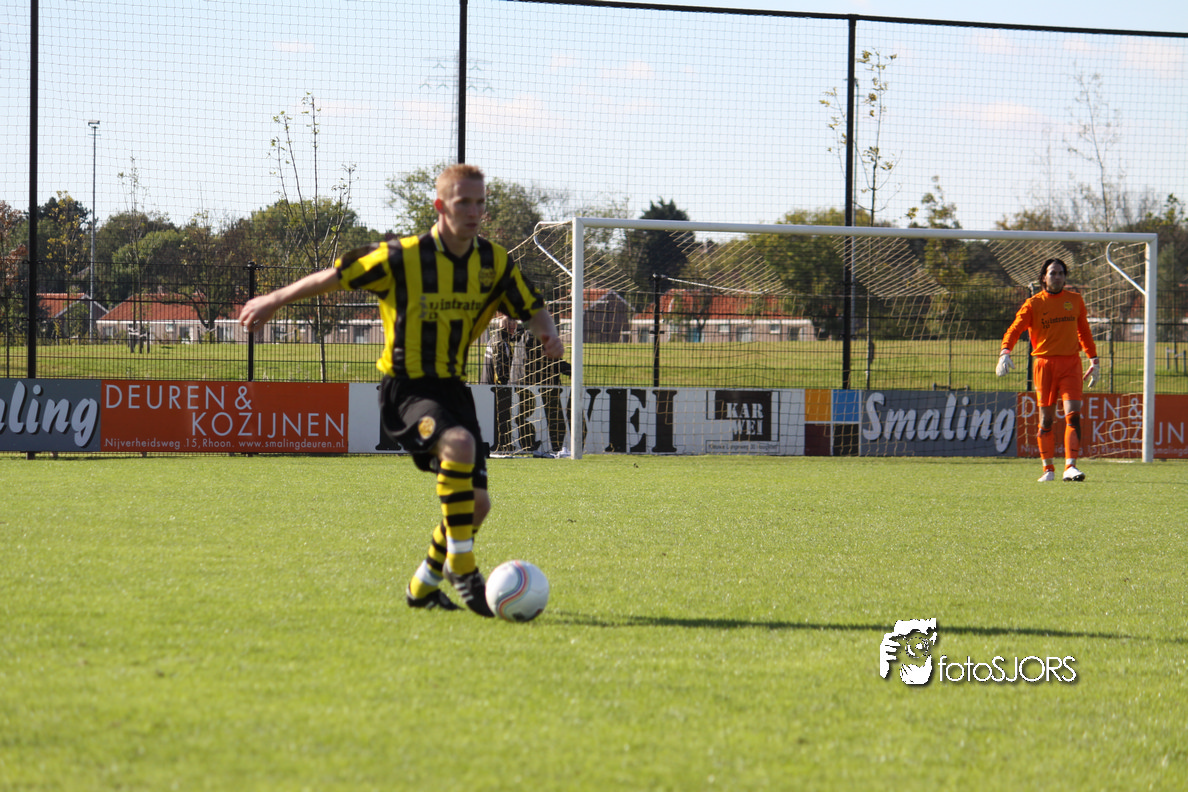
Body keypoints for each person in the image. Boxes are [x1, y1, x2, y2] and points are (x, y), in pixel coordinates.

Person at [238, 163, 564, 616]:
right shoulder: (403, 257)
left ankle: (423, 586)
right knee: (459, 444)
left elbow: (531, 304)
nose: (473, 212)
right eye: (463, 203)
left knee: (477, 506)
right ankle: (463, 569)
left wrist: (549, 332)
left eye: (480, 203)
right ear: (440, 206)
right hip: (406, 389)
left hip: (453, 389)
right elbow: (334, 275)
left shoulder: (494, 262)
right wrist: (273, 299)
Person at [997, 257, 1099, 482]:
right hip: (1044, 365)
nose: (1057, 277)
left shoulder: (1075, 300)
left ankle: (1070, 467)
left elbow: (1084, 331)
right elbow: (1015, 329)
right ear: (1044, 277)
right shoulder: (1033, 304)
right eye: (1053, 273)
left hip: (1071, 364)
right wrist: (1005, 351)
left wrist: (1094, 359)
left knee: (1073, 415)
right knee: (1046, 420)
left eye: (1061, 273)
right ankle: (1048, 469)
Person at [483, 310, 517, 456]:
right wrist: (505, 384)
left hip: (488, 385)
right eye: (512, 324)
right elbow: (500, 368)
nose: (514, 326)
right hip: (496, 387)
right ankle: (502, 446)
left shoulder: (496, 339)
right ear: (506, 327)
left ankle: (501, 445)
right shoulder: (500, 343)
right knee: (501, 417)